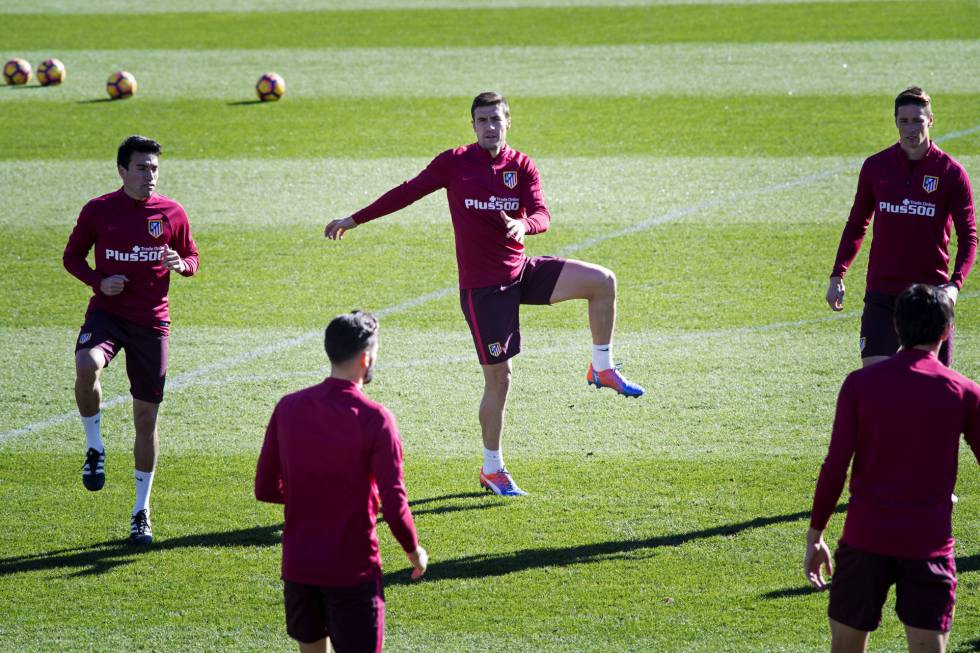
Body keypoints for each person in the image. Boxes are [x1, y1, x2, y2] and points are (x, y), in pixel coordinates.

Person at [324, 91, 644, 497]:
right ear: (473, 126)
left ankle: (602, 367)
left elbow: (542, 213)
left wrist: (523, 226)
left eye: (496, 119)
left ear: (508, 122)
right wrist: (354, 219)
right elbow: (406, 191)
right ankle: (492, 468)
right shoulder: (455, 163)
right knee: (500, 379)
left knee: (603, 281)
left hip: (521, 272)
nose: (490, 126)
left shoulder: (522, 166)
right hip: (485, 291)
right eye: (482, 120)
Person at [805, 284, 980, 653]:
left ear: (896, 327)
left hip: (864, 539)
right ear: (946, 331)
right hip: (928, 545)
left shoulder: (859, 384)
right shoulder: (965, 392)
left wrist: (816, 534)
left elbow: (835, 466)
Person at [255, 311, 427, 653]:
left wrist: (311, 494)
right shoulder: (376, 419)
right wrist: (414, 552)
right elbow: (395, 504)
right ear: (366, 358)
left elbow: (265, 488)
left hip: (299, 567)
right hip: (353, 571)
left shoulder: (288, 407)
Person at [63, 135, 199, 545]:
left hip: (151, 324)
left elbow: (192, 258)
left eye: (154, 168)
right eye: (142, 167)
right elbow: (72, 257)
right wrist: (99, 282)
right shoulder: (99, 210)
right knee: (87, 364)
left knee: (146, 418)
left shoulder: (172, 213)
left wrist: (182, 265)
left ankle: (141, 511)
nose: (149, 175)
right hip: (107, 314)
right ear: (122, 170)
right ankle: (94, 447)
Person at [826, 86, 976, 367]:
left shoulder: (951, 173)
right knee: (877, 382)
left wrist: (954, 286)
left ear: (930, 121)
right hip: (882, 294)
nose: (910, 129)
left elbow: (969, 238)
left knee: (931, 390)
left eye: (917, 120)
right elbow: (857, 223)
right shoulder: (876, 167)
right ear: (895, 121)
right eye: (903, 121)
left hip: (929, 298)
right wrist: (838, 274)